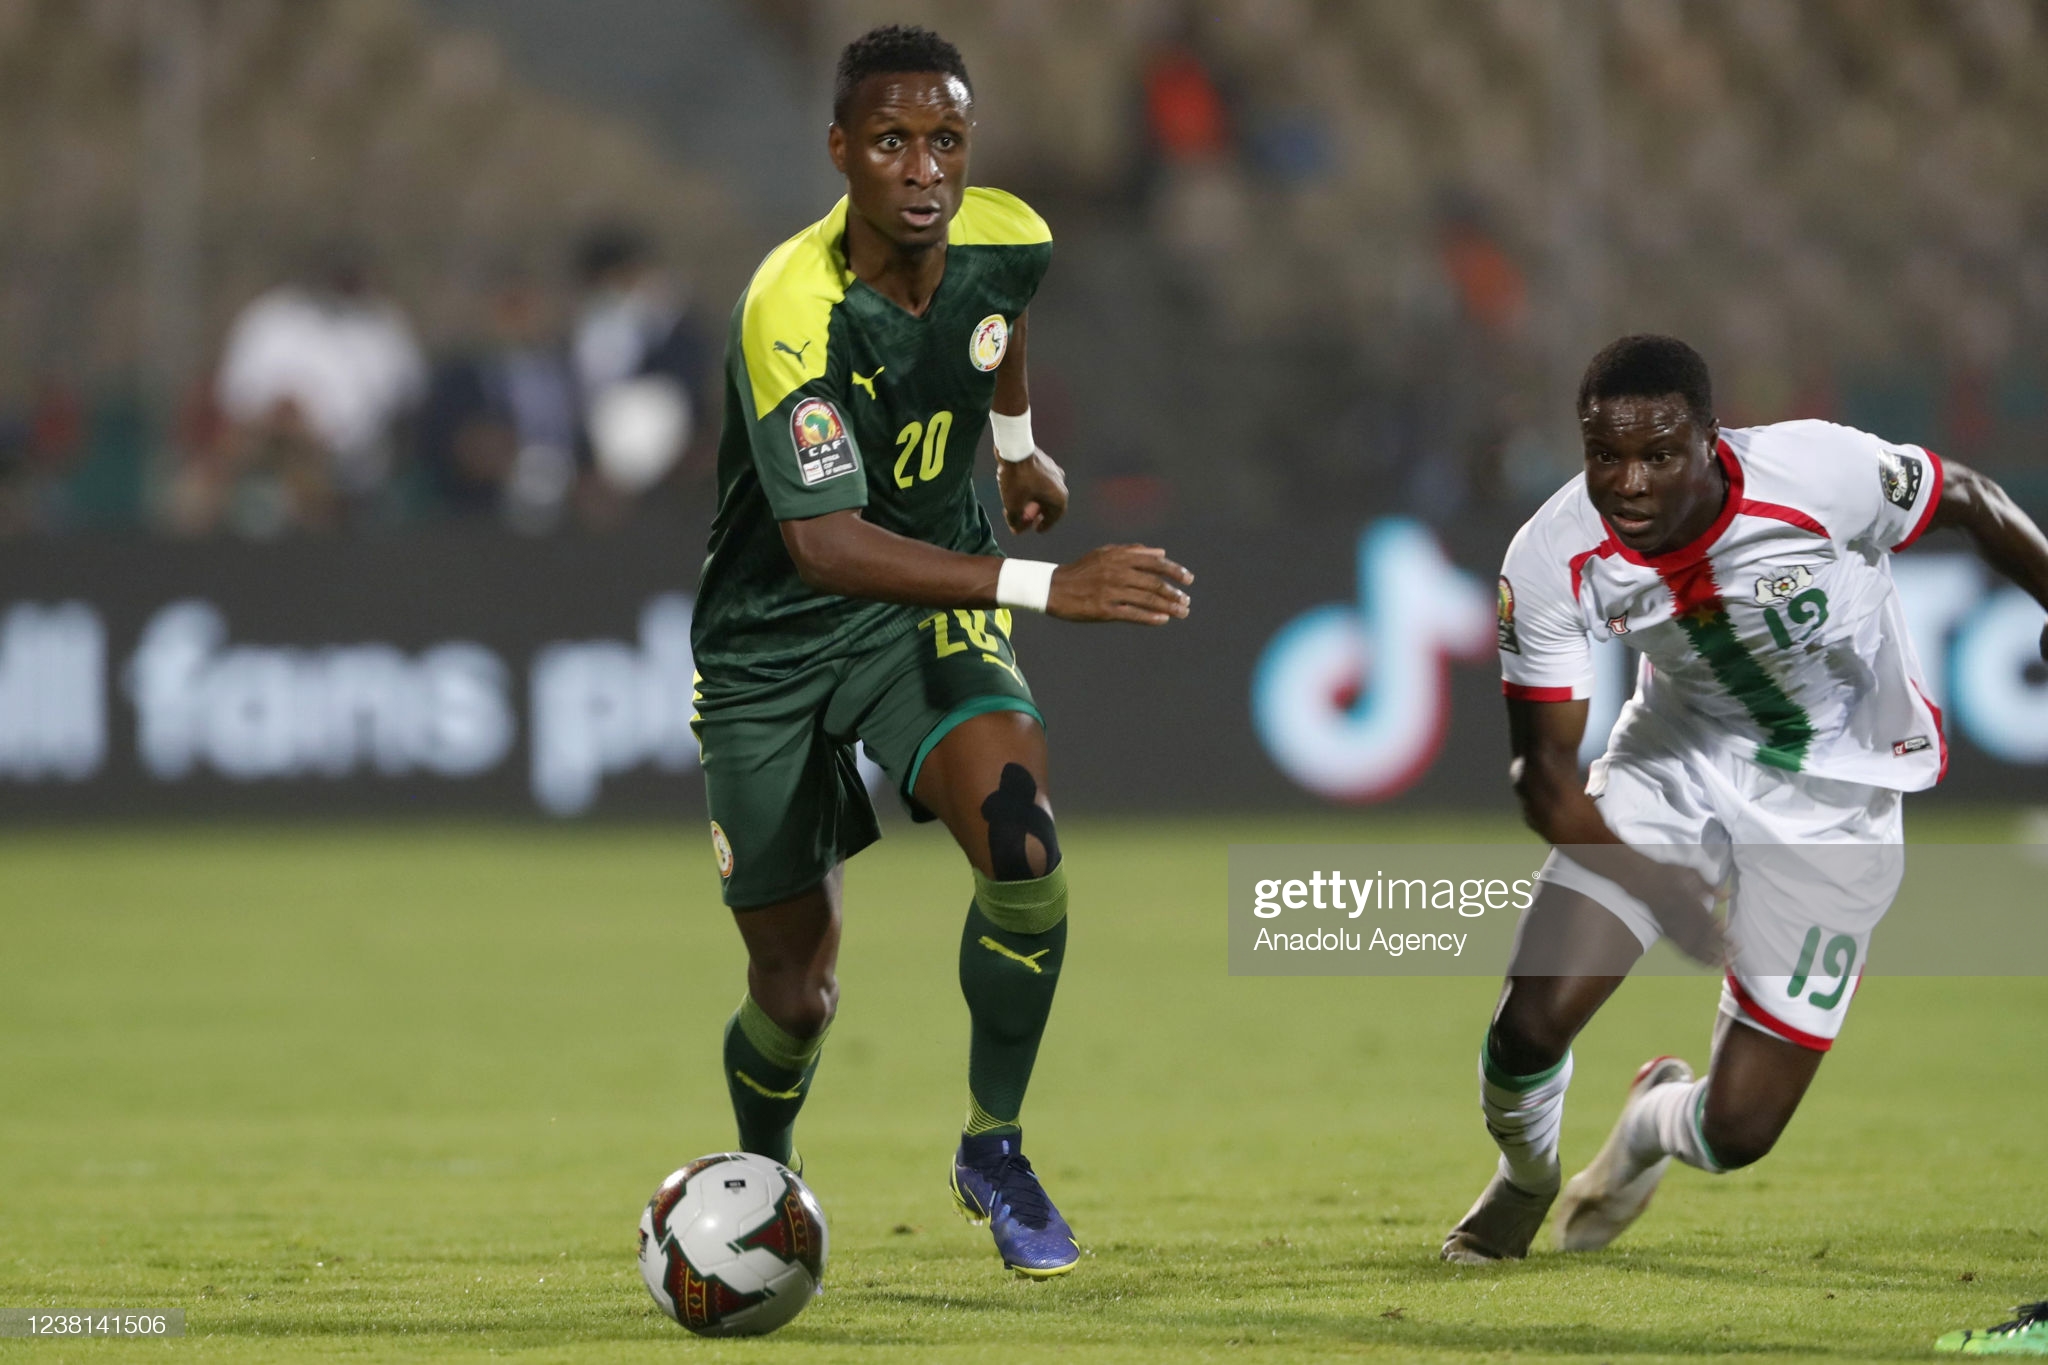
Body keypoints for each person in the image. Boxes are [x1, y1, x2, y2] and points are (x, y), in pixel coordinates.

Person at [688, 25, 1194, 1280]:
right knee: (792, 989)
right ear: (840, 153)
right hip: (773, 643)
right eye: (892, 142)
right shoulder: (790, 309)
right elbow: (823, 546)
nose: (924, 169)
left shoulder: (1006, 237)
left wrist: (1014, 448)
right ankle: (767, 1175)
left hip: (925, 609)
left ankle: (995, 1146)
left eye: (946, 142)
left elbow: (996, 322)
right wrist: (1041, 586)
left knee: (1021, 842)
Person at [1441, 334, 2048, 1263]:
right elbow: (1546, 775)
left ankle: (1650, 1122)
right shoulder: (1551, 555)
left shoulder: (1820, 471)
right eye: (1606, 455)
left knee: (1740, 1130)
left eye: (1658, 455)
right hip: (1674, 760)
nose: (1630, 483)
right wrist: (1659, 886)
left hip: (1838, 797)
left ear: (1711, 441)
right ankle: (1525, 1176)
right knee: (1530, 1021)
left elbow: (1963, 496)